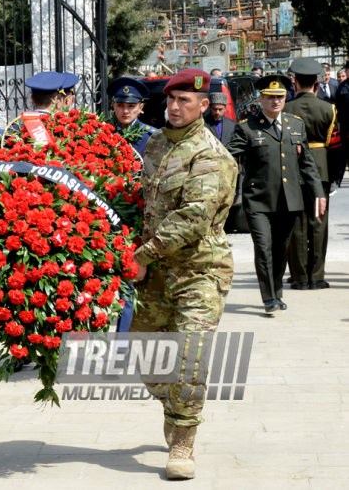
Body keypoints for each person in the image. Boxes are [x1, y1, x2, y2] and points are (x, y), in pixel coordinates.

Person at [130, 69, 238, 480]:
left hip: (199, 272)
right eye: (171, 100)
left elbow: (193, 219)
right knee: (147, 358)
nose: (174, 107)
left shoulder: (212, 156)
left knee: (190, 358)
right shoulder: (155, 143)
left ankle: (183, 440)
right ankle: (173, 405)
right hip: (156, 275)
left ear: (204, 107)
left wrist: (143, 253)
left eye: (185, 102)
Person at [226, 75, 326, 312]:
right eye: (270, 97)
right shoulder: (247, 127)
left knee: (281, 249)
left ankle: (277, 293)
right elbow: (228, 158)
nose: (276, 101)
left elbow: (307, 163)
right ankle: (269, 297)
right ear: (260, 99)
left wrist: (318, 193)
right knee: (263, 247)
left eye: (280, 97)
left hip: (289, 200)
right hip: (258, 200)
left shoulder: (296, 124)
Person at [285, 58, 337, 290]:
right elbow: (334, 146)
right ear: (317, 81)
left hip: (292, 170)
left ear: (294, 82)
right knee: (318, 222)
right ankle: (316, 276)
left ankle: (299, 276)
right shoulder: (329, 109)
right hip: (321, 167)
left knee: (296, 223)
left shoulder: (284, 109)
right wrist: (333, 175)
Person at [106, 77, 157, 157]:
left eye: (131, 106)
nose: (125, 111)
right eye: (120, 105)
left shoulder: (150, 137)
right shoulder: (104, 131)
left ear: (140, 108)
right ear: (113, 105)